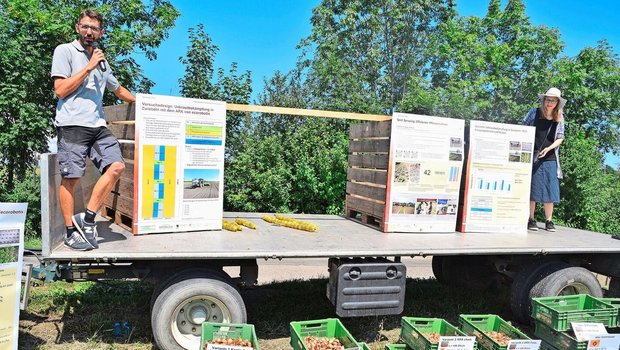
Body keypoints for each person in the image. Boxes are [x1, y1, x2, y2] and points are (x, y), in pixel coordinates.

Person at [51, 9, 136, 250]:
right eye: (85, 26)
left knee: (117, 166)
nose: (89, 31)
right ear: (78, 28)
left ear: (101, 32)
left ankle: (87, 218)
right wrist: (89, 66)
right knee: (72, 178)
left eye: (94, 28)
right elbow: (60, 90)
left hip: (97, 125)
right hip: (72, 124)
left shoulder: (102, 61)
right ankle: (70, 232)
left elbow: (118, 90)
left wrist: (145, 103)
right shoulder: (65, 51)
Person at [522, 87, 566, 232]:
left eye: (553, 100)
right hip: (533, 156)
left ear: (557, 103)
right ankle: (531, 219)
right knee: (532, 189)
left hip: (550, 157)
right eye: (547, 99)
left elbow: (560, 138)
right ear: (544, 100)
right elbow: (523, 128)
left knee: (550, 190)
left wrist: (549, 148)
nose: (549, 102)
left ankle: (549, 221)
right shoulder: (534, 113)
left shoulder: (559, 117)